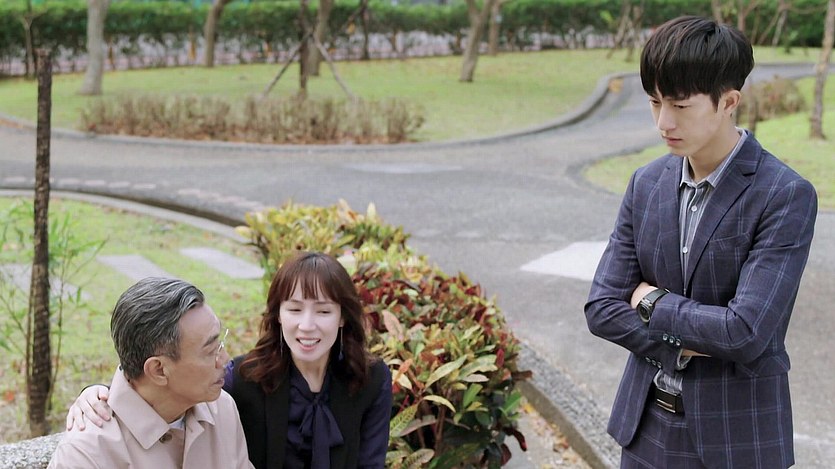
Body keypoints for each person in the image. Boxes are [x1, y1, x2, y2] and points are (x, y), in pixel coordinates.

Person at [585, 16, 817, 469]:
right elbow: (601, 308)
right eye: (654, 102)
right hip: (645, 428)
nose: (663, 122)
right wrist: (685, 341)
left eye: (680, 105)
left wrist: (649, 301)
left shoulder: (784, 194)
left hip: (738, 439)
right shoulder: (646, 182)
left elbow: (744, 332)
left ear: (728, 101)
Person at [67, 251, 392, 469]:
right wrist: (98, 393)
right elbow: (146, 380)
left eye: (323, 311)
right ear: (278, 315)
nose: (307, 325)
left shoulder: (220, 408)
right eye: (294, 309)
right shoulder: (242, 381)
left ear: (343, 317)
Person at [48, 277, 254, 469]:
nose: (225, 359)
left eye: (220, 344)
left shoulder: (221, 409)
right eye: (210, 351)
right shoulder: (86, 454)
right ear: (158, 370)